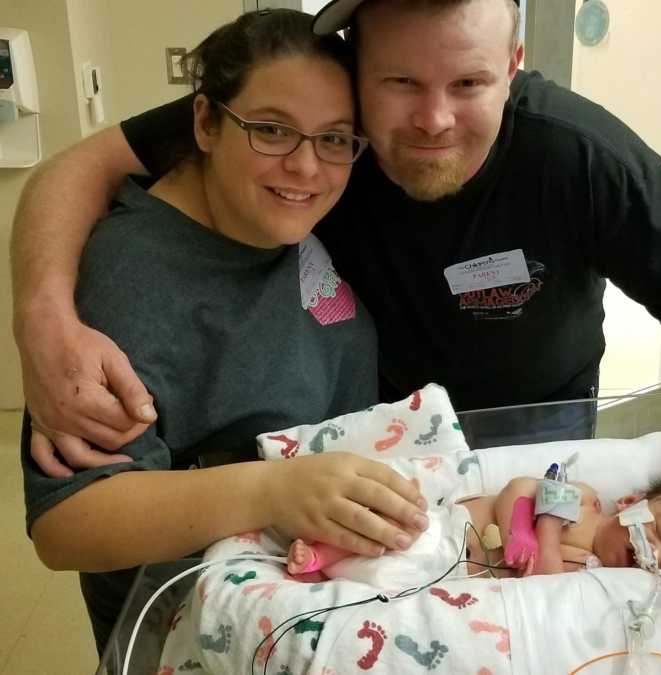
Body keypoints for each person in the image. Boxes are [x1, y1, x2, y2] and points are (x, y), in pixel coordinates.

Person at [10, 0, 661, 572]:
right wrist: (42, 316)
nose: (434, 119)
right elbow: (80, 164)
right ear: (353, 64)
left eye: (469, 83)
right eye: (399, 82)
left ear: (513, 68)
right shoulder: (295, 128)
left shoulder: (576, 156)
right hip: (339, 478)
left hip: (522, 448)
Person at [17, 10, 430, 654]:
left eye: (335, 139)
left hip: (329, 595)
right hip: (207, 632)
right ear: (206, 122)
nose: (305, 167)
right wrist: (275, 488)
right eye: (271, 130)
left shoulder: (274, 219)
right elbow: (67, 524)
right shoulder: (132, 281)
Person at [283, 476, 661, 582]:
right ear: (631, 505)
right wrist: (529, 534)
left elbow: (545, 588)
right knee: (398, 526)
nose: (654, 554)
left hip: (453, 572)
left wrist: (547, 549)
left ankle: (326, 571)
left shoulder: (595, 576)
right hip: (453, 526)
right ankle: (324, 551)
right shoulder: (586, 501)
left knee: (394, 574)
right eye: (659, 531)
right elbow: (522, 488)